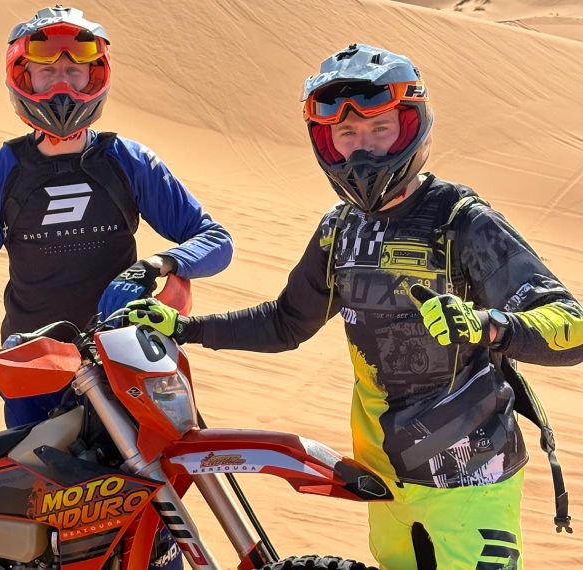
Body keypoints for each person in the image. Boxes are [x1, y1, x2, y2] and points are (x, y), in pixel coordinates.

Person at [125, 44, 583, 569]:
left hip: (470, 477)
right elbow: (286, 322)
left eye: (378, 129)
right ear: (326, 142)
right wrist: (187, 328)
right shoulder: (340, 229)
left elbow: (570, 324)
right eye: (346, 134)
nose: (361, 149)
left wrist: (489, 325)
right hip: (384, 476)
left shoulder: (461, 220)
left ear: (410, 127)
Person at [0, 6, 232, 441]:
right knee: (41, 485)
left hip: (125, 365)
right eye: (48, 72)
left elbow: (216, 241)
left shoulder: (128, 162)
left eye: (74, 72)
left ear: (95, 77)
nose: (62, 85)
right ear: (24, 78)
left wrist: (156, 265)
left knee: (156, 478)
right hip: (35, 369)